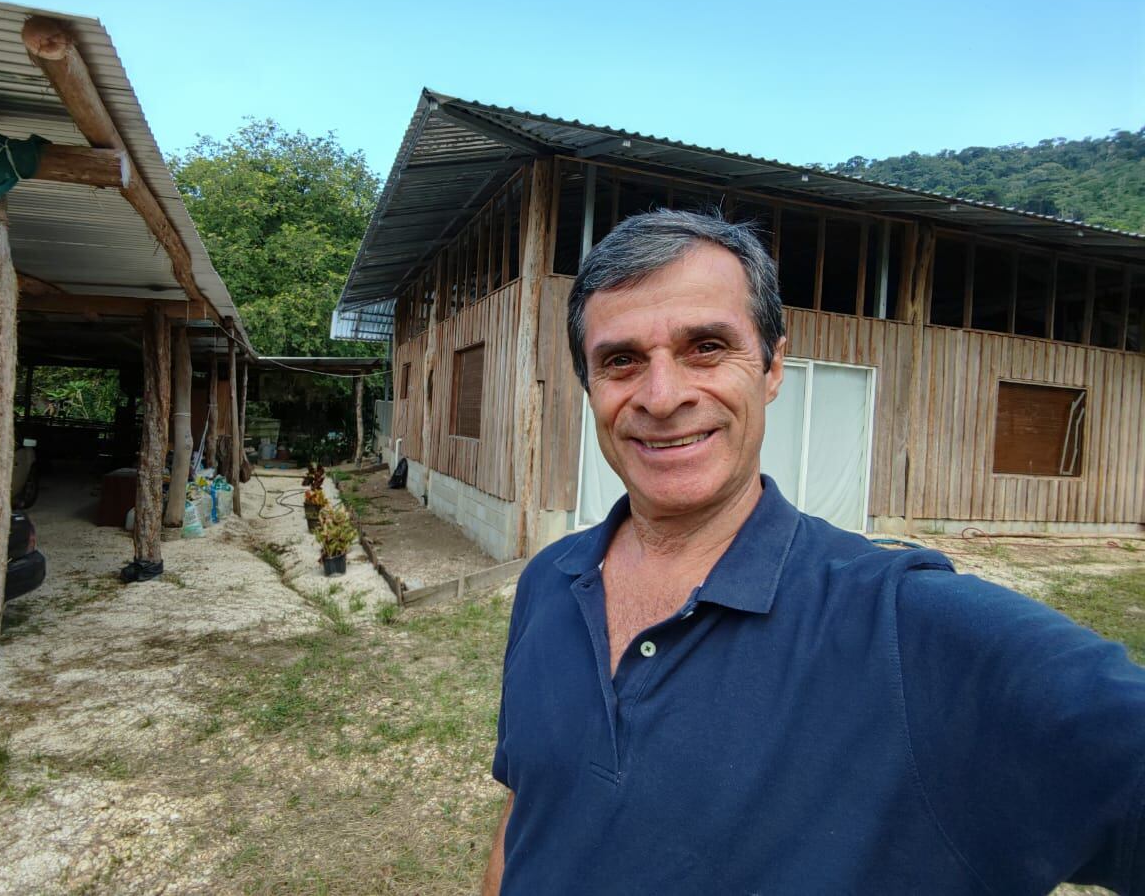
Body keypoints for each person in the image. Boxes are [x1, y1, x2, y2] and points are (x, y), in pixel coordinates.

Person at [482, 209, 1145, 895]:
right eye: (620, 361)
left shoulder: (906, 625)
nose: (662, 395)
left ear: (772, 367)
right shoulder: (549, 582)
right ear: (590, 389)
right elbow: (527, 809)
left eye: (706, 347)